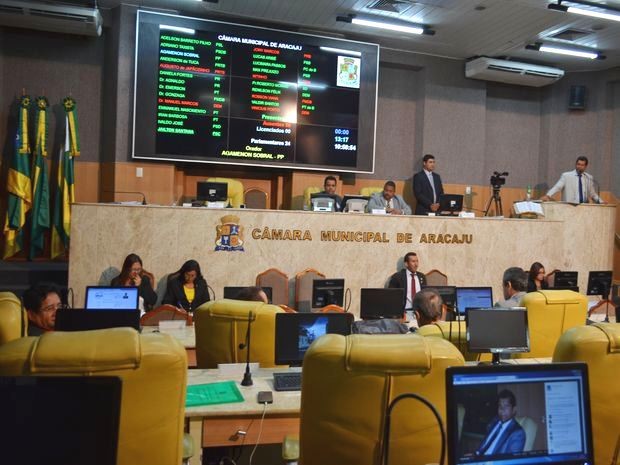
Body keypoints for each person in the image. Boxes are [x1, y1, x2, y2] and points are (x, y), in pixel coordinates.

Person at [476, 389, 526, 455]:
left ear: (514, 409)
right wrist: (475, 455)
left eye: (506, 406)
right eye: (500, 406)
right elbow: (484, 444)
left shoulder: (518, 433)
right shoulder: (494, 421)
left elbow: (512, 461)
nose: (502, 409)